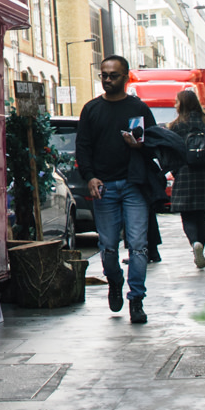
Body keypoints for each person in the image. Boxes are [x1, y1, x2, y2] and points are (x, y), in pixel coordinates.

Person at [75, 55, 159, 324]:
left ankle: (136, 299)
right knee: (108, 247)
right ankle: (114, 281)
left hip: (134, 185)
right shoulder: (91, 110)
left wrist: (140, 146)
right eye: (104, 75)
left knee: (138, 246)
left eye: (113, 75)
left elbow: (154, 143)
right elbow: (83, 147)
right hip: (105, 188)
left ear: (126, 77)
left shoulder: (139, 109)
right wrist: (90, 177)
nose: (107, 80)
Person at [167, 88, 205, 267]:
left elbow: (172, 153)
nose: (175, 105)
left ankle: (194, 243)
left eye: (176, 102)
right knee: (201, 217)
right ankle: (201, 246)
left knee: (187, 217)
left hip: (185, 174)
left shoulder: (175, 125)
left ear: (182, 104)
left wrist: (176, 171)